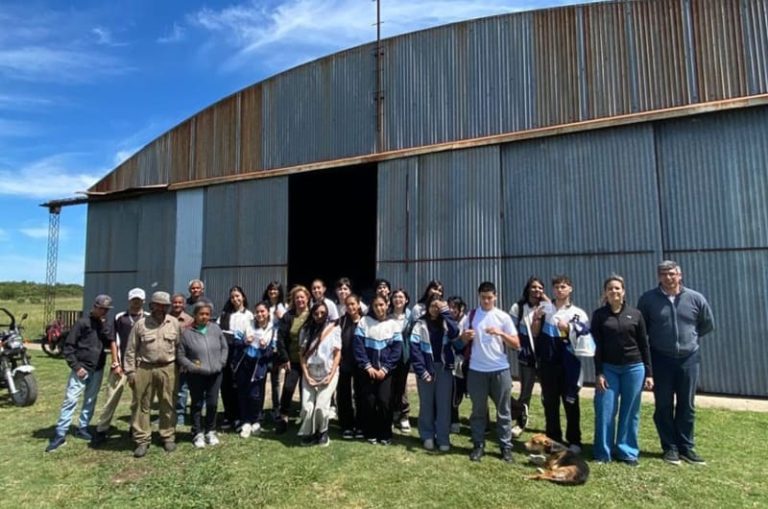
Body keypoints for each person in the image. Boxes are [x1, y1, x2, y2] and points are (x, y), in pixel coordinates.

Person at [637, 260, 714, 465]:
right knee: (663, 404)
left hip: (688, 359)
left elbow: (706, 324)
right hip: (660, 358)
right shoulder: (648, 299)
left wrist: (690, 339)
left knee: (687, 405)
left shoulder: (695, 298)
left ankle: (686, 447)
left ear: (680, 275)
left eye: (672, 273)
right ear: (658, 277)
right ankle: (670, 447)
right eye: (664, 274)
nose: (668, 277)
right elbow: (641, 329)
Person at [592, 275, 653, 466]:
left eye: (617, 288)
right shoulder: (599, 315)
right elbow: (596, 347)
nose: (614, 291)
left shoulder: (635, 314)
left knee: (630, 411)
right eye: (610, 288)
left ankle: (627, 451)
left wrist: (649, 373)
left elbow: (644, 345)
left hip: (634, 368)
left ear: (623, 291)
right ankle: (603, 452)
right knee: (605, 409)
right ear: (605, 293)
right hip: (608, 369)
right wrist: (599, 373)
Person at [459, 282, 519, 463]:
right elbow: (460, 341)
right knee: (478, 411)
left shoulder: (503, 317)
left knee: (504, 411)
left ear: (495, 297)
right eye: (483, 297)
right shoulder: (471, 316)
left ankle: (505, 447)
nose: (486, 301)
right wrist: (465, 337)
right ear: (479, 296)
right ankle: (478, 445)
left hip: (500, 369)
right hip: (476, 370)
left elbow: (516, 344)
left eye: (489, 298)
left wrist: (501, 333)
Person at [45, 295, 113, 452]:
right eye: (101, 308)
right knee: (71, 400)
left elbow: (108, 342)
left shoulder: (103, 324)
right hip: (81, 368)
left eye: (106, 309)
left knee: (90, 400)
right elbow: (68, 347)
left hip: (97, 368)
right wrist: (76, 367)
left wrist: (104, 326)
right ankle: (60, 434)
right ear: (95, 307)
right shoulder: (82, 323)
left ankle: (83, 428)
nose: (104, 312)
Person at [530, 275, 589, 453]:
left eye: (563, 286)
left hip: (570, 365)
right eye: (556, 287)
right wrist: (536, 319)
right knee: (550, 404)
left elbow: (585, 337)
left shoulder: (578, 313)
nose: (559, 290)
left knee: (571, 403)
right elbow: (535, 333)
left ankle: (574, 441)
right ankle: (553, 440)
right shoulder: (545, 309)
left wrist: (569, 328)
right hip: (548, 363)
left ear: (570, 289)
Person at [123, 291, 182, 458]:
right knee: (141, 404)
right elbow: (131, 350)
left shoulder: (174, 323)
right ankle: (142, 439)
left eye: (164, 306)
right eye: (158, 305)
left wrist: (180, 367)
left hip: (168, 367)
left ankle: (167, 436)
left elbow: (179, 347)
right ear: (152, 305)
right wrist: (130, 371)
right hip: (145, 367)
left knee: (168, 403)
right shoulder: (141, 324)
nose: (161, 309)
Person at [92, 288, 149, 446]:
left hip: (141, 366)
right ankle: (102, 429)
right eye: (134, 300)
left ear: (143, 301)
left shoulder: (148, 318)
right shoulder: (120, 317)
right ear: (129, 300)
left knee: (139, 399)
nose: (136, 302)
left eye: (139, 300)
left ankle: (135, 428)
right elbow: (113, 341)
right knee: (111, 397)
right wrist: (115, 362)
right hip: (122, 365)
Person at [410, 296, 460, 451]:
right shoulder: (420, 324)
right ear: (427, 307)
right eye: (432, 306)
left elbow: (455, 332)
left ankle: (443, 438)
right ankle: (427, 436)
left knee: (444, 405)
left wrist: (446, 312)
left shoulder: (446, 323)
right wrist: (421, 370)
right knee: (427, 404)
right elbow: (415, 350)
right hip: (426, 368)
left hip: (444, 369)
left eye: (438, 307)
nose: (435, 309)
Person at [177, 300, 229, 448]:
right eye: (201, 314)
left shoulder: (216, 329)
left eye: (207, 314)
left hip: (215, 373)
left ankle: (210, 431)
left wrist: (221, 362)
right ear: (195, 315)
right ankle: (197, 432)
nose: (204, 317)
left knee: (212, 403)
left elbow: (224, 347)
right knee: (197, 403)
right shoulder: (187, 333)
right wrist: (191, 367)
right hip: (196, 374)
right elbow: (181, 355)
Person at [353, 295, 403, 445]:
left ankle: (385, 433)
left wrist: (385, 369)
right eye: (376, 305)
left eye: (381, 305)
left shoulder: (394, 324)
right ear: (372, 307)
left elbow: (397, 350)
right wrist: (368, 366)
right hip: (368, 371)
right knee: (369, 401)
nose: (379, 308)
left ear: (387, 305)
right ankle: (371, 432)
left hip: (385, 372)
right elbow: (358, 346)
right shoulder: (364, 322)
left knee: (384, 401)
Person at [507, 277, 547, 438]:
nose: (537, 290)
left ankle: (551, 425)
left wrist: (545, 301)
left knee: (548, 394)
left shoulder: (547, 307)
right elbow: (510, 329)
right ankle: (520, 423)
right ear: (528, 289)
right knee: (525, 392)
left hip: (545, 356)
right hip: (526, 356)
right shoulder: (518, 307)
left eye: (540, 288)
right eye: (534, 287)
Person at [298, 301, 341, 446]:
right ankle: (309, 432)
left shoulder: (334, 329)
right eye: (316, 313)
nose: (319, 316)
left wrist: (331, 375)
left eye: (323, 313)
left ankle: (322, 432)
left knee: (321, 406)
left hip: (328, 371)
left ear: (327, 313)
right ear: (312, 314)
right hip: (310, 372)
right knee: (307, 406)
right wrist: (306, 375)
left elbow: (337, 354)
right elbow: (302, 355)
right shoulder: (305, 330)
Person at [235, 301, 277, 438]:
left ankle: (256, 420)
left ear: (268, 313)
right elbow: (236, 342)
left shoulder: (273, 329)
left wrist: (265, 348)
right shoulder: (247, 325)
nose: (259, 314)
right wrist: (245, 342)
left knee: (256, 394)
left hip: (259, 365)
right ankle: (246, 421)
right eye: (257, 311)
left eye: (262, 311)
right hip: (244, 363)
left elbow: (273, 351)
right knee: (243, 392)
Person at [274, 285, 312, 434]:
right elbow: (281, 338)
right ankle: (283, 417)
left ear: (307, 298)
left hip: (309, 362)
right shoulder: (288, 316)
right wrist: (285, 358)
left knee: (306, 390)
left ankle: (306, 418)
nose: (300, 300)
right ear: (293, 300)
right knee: (288, 388)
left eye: (302, 297)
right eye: (297, 298)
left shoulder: (313, 314)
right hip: (293, 360)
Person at [217, 286, 254, 431]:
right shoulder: (225, 314)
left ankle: (239, 416)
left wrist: (236, 338)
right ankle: (229, 415)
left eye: (237, 296)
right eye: (232, 297)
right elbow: (219, 332)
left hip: (241, 354)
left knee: (238, 385)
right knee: (225, 385)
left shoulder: (248, 315)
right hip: (226, 353)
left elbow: (249, 336)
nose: (235, 299)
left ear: (243, 297)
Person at [337, 294, 365, 439]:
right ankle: (346, 425)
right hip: (345, 362)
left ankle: (360, 425)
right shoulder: (341, 322)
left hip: (361, 364)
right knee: (344, 394)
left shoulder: (366, 321)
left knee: (361, 394)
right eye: (348, 305)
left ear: (359, 304)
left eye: (353, 304)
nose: (350, 307)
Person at [262, 281, 286, 421]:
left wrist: (282, 317)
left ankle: (276, 408)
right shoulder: (263, 305)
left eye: (276, 289)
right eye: (271, 289)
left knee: (275, 380)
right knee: (261, 378)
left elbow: (286, 326)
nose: (273, 292)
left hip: (276, 346)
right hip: (263, 345)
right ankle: (259, 409)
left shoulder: (283, 307)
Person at [389, 288, 413, 433]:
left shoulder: (411, 316)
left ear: (406, 300)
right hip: (389, 355)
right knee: (390, 385)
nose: (398, 299)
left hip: (404, 356)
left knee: (402, 386)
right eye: (395, 297)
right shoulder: (387, 315)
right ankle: (392, 414)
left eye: (401, 297)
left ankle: (404, 415)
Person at [447, 295, 467, 434]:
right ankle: (454, 420)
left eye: (454, 307)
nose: (451, 310)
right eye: (449, 307)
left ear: (461, 308)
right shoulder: (447, 321)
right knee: (453, 391)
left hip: (467, 362)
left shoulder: (467, 321)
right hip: (452, 361)